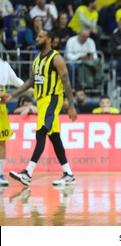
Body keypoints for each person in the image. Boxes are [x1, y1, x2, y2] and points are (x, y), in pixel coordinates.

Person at [0, 29, 78, 187]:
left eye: (40, 36)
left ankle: (28, 173)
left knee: (41, 133)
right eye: (36, 36)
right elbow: (30, 82)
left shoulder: (56, 59)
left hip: (52, 99)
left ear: (49, 39)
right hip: (41, 100)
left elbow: (66, 82)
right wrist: (12, 96)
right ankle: (68, 173)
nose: (37, 38)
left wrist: (71, 105)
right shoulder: (36, 60)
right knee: (54, 137)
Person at [0, 57, 24, 186]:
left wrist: (34, 88)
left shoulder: (4, 65)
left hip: (1, 107)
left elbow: (17, 82)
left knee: (1, 142)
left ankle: (0, 173)